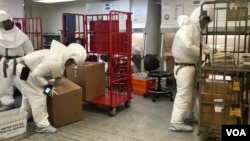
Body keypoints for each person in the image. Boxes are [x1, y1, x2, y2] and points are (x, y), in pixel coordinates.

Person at [13, 40, 87, 133]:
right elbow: (36, 75)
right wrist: (47, 86)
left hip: (24, 69)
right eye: (72, 62)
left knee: (29, 94)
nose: (71, 65)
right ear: (69, 56)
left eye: (74, 64)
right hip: (26, 71)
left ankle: (25, 116)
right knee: (38, 96)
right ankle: (42, 125)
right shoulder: (54, 61)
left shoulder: (60, 55)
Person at [168, 5, 214, 132]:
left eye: (207, 21)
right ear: (197, 17)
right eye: (203, 20)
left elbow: (203, 46)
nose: (205, 24)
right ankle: (175, 122)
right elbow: (188, 46)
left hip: (191, 67)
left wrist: (212, 50)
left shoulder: (197, 31)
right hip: (184, 67)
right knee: (184, 95)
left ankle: (188, 115)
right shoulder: (186, 29)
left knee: (192, 94)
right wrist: (205, 52)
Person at [0, 10, 34, 112]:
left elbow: (30, 51)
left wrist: (29, 65)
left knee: (23, 83)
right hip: (4, 62)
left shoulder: (21, 36)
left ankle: (28, 105)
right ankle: (7, 102)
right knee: (4, 84)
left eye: (7, 21)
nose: (6, 24)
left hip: (19, 62)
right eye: (3, 22)